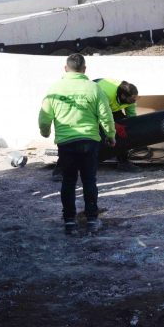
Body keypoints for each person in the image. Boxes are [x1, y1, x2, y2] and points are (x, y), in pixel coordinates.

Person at [38, 53, 116, 230]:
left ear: (66, 69)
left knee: (69, 181)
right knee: (89, 180)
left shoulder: (54, 89)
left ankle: (69, 220)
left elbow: (44, 117)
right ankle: (91, 219)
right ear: (84, 69)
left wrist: (45, 132)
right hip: (90, 141)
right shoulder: (94, 88)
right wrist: (110, 135)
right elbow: (106, 115)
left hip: (66, 143)